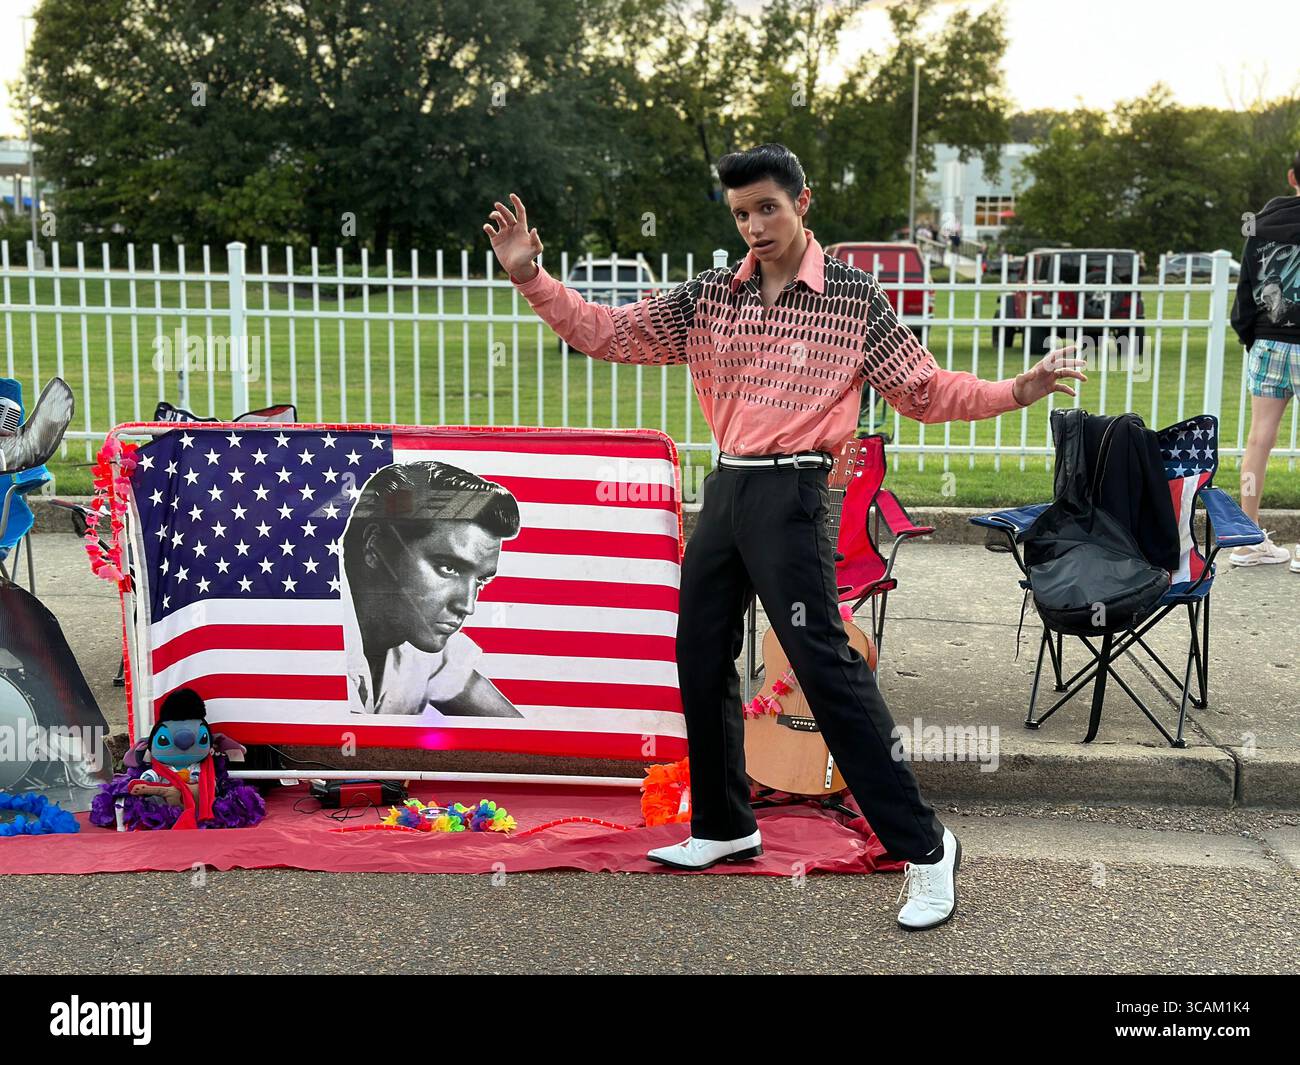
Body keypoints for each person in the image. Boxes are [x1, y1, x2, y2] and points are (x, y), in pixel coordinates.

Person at [484, 143, 1084, 931]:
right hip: (727, 486)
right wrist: (532, 275)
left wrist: (1017, 388)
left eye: (767, 207)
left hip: (797, 494)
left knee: (824, 671)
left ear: (804, 201)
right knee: (699, 656)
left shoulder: (852, 298)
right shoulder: (708, 296)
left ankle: (928, 846)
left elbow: (927, 392)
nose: (754, 226)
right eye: (740, 213)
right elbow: (608, 332)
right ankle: (727, 825)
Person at [339, 460, 524, 717]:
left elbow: (517, 732)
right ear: (375, 545)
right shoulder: (305, 643)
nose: (467, 606)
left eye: (481, 581)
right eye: (448, 568)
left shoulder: (417, 638)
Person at [1229, 147, 1300, 570]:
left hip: (1270, 342)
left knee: (1259, 439)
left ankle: (1247, 540)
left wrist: (1250, 337)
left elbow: (1245, 291)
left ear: (1292, 177)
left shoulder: (1261, 223)